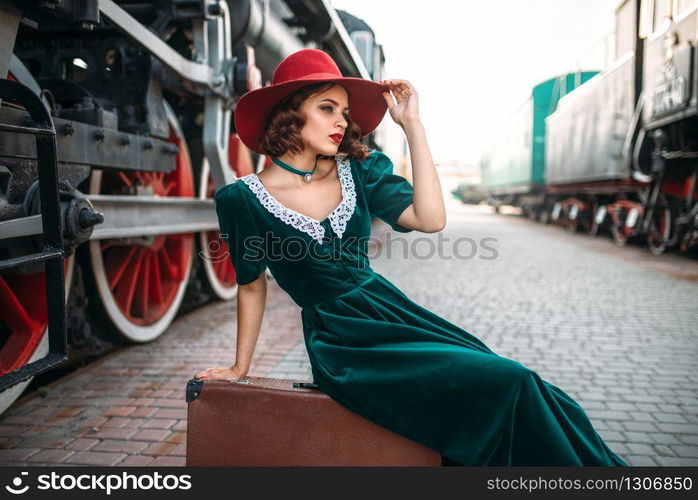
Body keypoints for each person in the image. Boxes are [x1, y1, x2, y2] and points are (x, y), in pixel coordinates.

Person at [195, 48, 627, 466]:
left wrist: (412, 126)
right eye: (328, 108)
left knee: (517, 379)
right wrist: (240, 367)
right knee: (506, 382)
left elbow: (430, 218)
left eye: (344, 113)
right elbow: (250, 285)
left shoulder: (360, 170)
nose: (341, 123)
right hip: (344, 345)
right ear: (289, 113)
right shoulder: (241, 199)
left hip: (395, 314)